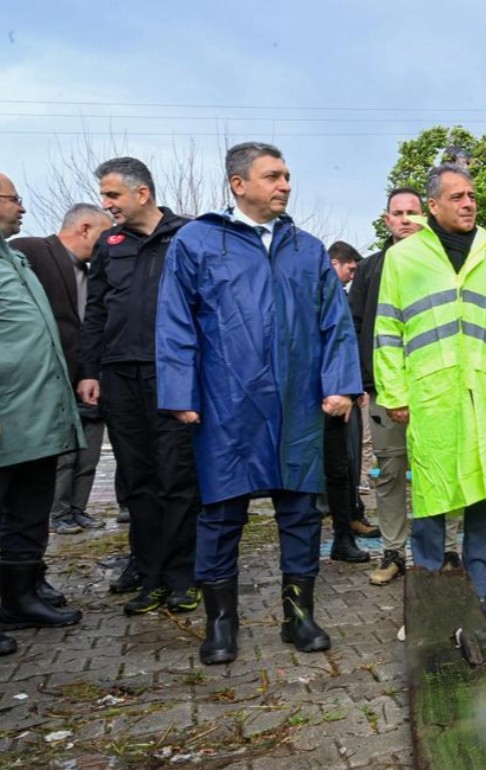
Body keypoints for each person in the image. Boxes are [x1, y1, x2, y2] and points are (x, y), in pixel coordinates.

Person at [156, 141, 361, 665]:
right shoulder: (197, 242)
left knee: (300, 510)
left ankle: (299, 616)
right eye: (273, 176)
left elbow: (335, 322)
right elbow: (175, 320)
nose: (285, 185)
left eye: (288, 175)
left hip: (297, 402)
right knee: (221, 512)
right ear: (238, 184)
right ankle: (221, 623)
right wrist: (180, 391)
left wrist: (339, 384)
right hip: (228, 404)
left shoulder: (306, 248)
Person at [373, 164, 486, 626]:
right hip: (430, 396)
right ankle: (430, 589)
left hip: (484, 394)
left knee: (483, 495)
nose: (468, 203)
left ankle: (481, 592)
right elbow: (387, 329)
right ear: (434, 206)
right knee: (431, 495)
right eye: (458, 196)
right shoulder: (404, 258)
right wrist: (394, 391)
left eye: (472, 196)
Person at [76, 157, 201, 615]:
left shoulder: (188, 236)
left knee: (178, 477)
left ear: (142, 193)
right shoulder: (109, 245)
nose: (106, 204)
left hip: (172, 376)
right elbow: (96, 312)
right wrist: (90, 370)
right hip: (119, 375)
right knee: (139, 480)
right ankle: (150, 576)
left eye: (112, 195)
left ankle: (184, 577)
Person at [350, 188, 460, 585]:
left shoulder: (445, 265)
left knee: (440, 469)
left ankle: (447, 549)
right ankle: (393, 550)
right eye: (398, 213)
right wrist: (366, 380)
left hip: (438, 389)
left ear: (426, 217)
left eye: (412, 212)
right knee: (391, 472)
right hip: (387, 390)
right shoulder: (370, 268)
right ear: (387, 220)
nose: (405, 219)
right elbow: (356, 325)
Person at [0, 173, 85, 656]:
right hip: (8, 414)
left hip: (36, 416)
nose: (23, 207)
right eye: (14, 199)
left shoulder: (16, 259)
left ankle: (20, 595)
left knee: (29, 511)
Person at [13, 204, 114, 536]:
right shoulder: (31, 252)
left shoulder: (96, 272)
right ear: (85, 229)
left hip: (89, 376)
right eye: (104, 234)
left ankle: (77, 508)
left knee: (89, 452)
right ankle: (57, 513)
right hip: (48, 377)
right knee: (62, 454)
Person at [322, 240, 372, 563]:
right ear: (334, 262)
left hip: (339, 397)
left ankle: (344, 534)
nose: (352, 275)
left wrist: (352, 387)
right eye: (350, 268)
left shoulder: (341, 297)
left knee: (341, 468)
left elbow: (347, 342)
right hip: (314, 397)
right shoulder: (313, 294)